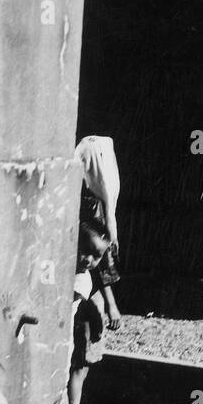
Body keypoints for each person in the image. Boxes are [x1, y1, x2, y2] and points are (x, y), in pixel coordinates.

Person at [63, 221, 110, 404]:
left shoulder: (82, 279)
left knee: (73, 382)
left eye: (97, 256)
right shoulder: (69, 269)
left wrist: (100, 318)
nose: (89, 260)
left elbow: (91, 309)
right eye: (86, 251)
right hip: (65, 338)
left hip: (69, 342)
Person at [76, 134, 123, 330]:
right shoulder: (97, 202)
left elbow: (101, 256)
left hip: (85, 280)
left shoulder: (92, 199)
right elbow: (103, 261)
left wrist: (111, 306)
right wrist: (111, 305)